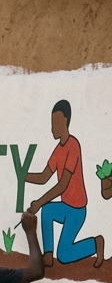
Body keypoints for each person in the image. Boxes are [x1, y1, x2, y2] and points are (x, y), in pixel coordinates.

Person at [25, 100, 101, 267]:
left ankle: (95, 244)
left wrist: (38, 203)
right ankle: (48, 254)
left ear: (66, 121)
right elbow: (44, 176)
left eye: (56, 123)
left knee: (65, 255)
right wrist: (23, 176)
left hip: (77, 209)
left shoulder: (73, 146)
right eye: (52, 123)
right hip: (66, 205)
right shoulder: (58, 150)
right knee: (48, 210)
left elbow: (62, 185)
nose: (52, 128)